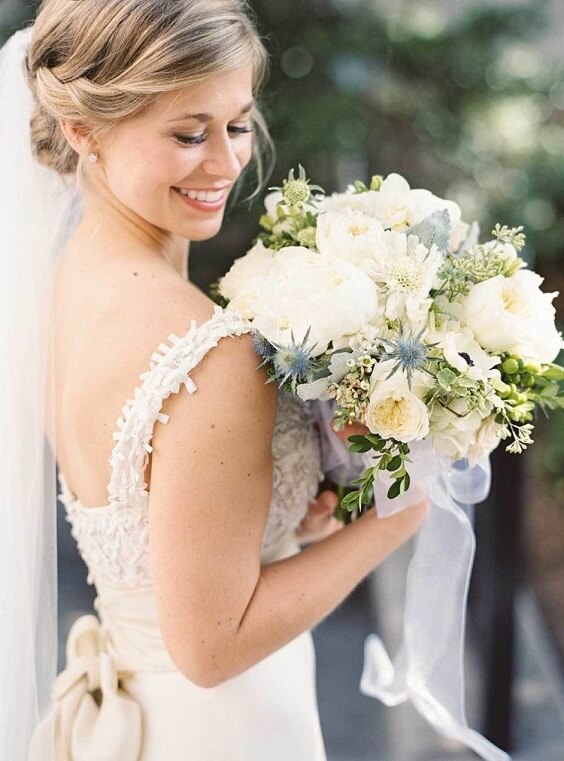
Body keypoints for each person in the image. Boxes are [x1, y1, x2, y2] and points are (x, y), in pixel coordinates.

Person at [0, 1, 429, 759]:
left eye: (236, 123)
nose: (227, 162)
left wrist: (283, 524)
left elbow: (145, 515)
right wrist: (392, 522)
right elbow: (211, 646)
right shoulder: (210, 353)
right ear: (82, 130)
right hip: (231, 726)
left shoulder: (59, 287)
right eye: (187, 133)